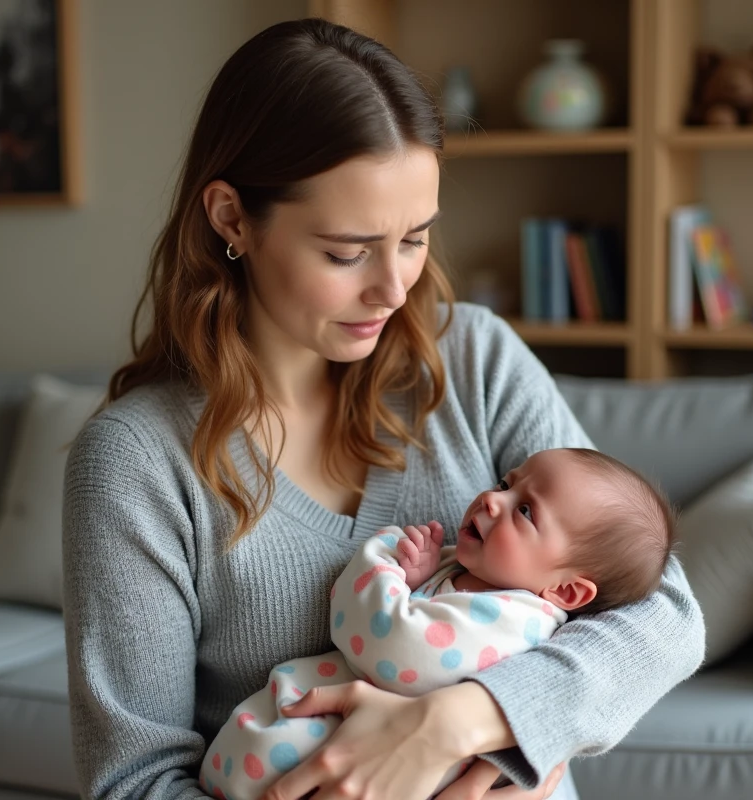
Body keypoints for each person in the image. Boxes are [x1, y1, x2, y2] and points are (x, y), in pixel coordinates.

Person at [62, 17, 705, 800]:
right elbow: (133, 785)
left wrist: (456, 723)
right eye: (348, 251)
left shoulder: (473, 358)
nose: (395, 289)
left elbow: (665, 614)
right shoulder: (137, 462)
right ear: (231, 218)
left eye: (415, 238)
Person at [200, 447, 675, 800]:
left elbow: (392, 645)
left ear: (567, 592)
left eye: (526, 511)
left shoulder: (516, 621)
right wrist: (420, 578)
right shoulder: (475, 575)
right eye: (506, 484)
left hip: (313, 764)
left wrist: (384, 567)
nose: (492, 500)